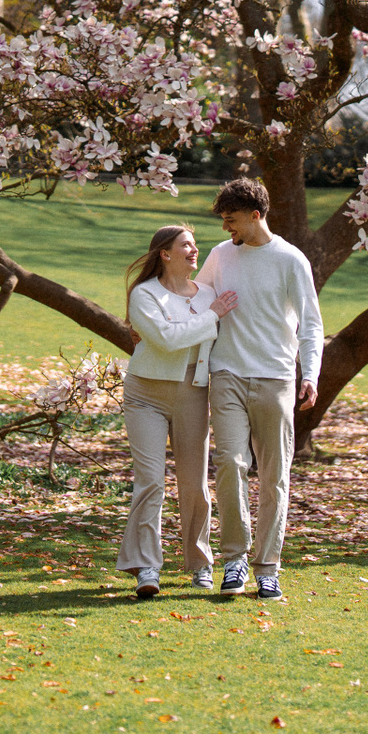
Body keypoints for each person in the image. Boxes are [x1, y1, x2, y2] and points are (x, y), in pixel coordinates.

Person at [196, 178, 323, 600]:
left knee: (274, 477)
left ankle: (268, 568)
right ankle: (234, 560)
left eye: (231, 219)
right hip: (227, 374)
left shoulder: (290, 260)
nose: (225, 228)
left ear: (255, 215)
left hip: (275, 378)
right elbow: (194, 300)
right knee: (230, 464)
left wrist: (310, 375)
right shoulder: (220, 255)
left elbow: (311, 324)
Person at [121, 224, 238, 598]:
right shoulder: (144, 294)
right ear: (165, 253)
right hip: (145, 394)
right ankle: (147, 566)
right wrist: (211, 316)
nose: (194, 250)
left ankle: (201, 564)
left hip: (192, 393)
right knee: (151, 482)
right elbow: (166, 340)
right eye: (186, 244)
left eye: (195, 244)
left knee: (194, 484)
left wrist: (210, 313)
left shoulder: (208, 294)